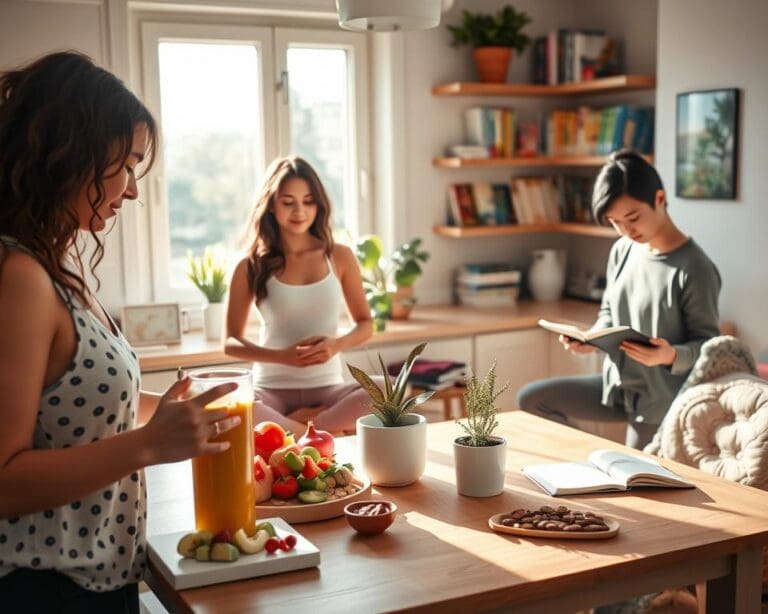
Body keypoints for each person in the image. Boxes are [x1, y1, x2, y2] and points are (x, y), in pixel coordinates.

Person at [0, 51, 242, 613]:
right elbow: (4, 480)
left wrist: (195, 414)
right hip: (43, 592)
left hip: (95, 582)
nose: (132, 190)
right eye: (128, 164)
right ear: (71, 154)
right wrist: (150, 444)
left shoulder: (54, 267)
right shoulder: (20, 276)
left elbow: (80, 409)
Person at [517, 149, 721, 449]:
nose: (626, 230)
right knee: (533, 400)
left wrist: (669, 355)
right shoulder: (623, 250)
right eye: (615, 222)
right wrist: (591, 340)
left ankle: (599, 462)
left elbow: (711, 347)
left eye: (633, 218)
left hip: (660, 401)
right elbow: (610, 313)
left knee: (636, 475)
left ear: (660, 199)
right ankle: (589, 460)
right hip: (616, 388)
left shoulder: (695, 268)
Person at [225, 156, 376, 436]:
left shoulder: (339, 256)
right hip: (270, 388)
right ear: (271, 204)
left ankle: (294, 432)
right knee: (234, 405)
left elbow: (366, 324)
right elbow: (231, 342)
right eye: (288, 202)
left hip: (328, 388)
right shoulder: (250, 265)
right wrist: (282, 357)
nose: (300, 211)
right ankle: (316, 433)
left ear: (319, 205)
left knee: (388, 390)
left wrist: (336, 345)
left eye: (308, 201)